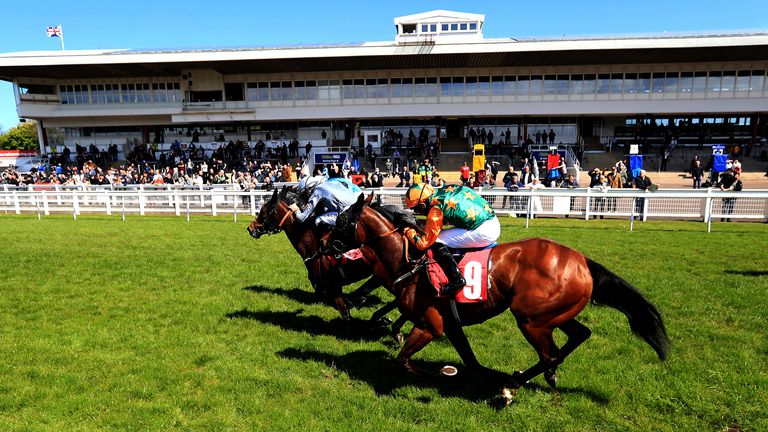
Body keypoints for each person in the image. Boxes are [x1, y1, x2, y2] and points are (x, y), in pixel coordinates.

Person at [403, 183, 501, 297]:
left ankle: (457, 279)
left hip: (484, 231)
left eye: (416, 208)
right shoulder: (445, 189)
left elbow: (423, 243)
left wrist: (408, 232)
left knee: (437, 240)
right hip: (492, 220)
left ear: (423, 205)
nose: (417, 212)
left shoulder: (435, 210)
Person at [290, 175, 361, 230]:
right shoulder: (330, 182)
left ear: (308, 188)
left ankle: (329, 245)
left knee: (317, 220)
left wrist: (296, 210)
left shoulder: (317, 191)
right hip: (357, 202)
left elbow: (302, 218)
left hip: (347, 212)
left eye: (304, 194)